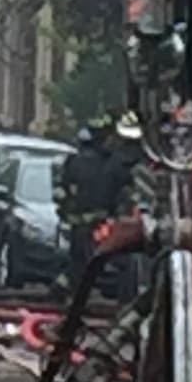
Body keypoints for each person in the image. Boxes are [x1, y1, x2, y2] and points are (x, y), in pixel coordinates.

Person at [55, 121, 126, 290]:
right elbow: (116, 192)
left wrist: (65, 212)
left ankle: (65, 290)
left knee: (80, 261)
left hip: (80, 226)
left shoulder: (73, 162)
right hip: (99, 225)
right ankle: (67, 290)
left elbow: (62, 192)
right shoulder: (108, 164)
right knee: (89, 261)